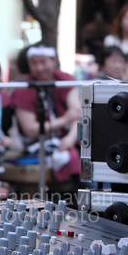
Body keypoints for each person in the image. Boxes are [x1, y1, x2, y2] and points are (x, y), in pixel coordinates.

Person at [10, 42, 82, 202]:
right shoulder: (23, 88)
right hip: (35, 143)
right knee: (69, 157)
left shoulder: (65, 80)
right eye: (34, 63)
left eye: (43, 62)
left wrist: (70, 138)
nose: (39, 67)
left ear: (53, 60)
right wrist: (64, 119)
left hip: (69, 139)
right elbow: (30, 129)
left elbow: (77, 113)